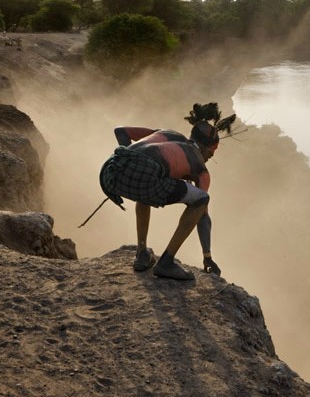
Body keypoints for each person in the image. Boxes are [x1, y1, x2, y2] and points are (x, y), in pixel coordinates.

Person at [99, 103, 235, 280]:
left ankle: (142, 254)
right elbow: (202, 215)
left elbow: (121, 131)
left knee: (146, 189)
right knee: (201, 199)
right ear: (205, 146)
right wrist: (207, 257)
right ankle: (166, 263)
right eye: (213, 150)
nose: (212, 155)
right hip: (143, 177)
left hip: (110, 173)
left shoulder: (167, 134)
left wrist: (128, 162)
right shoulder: (200, 168)